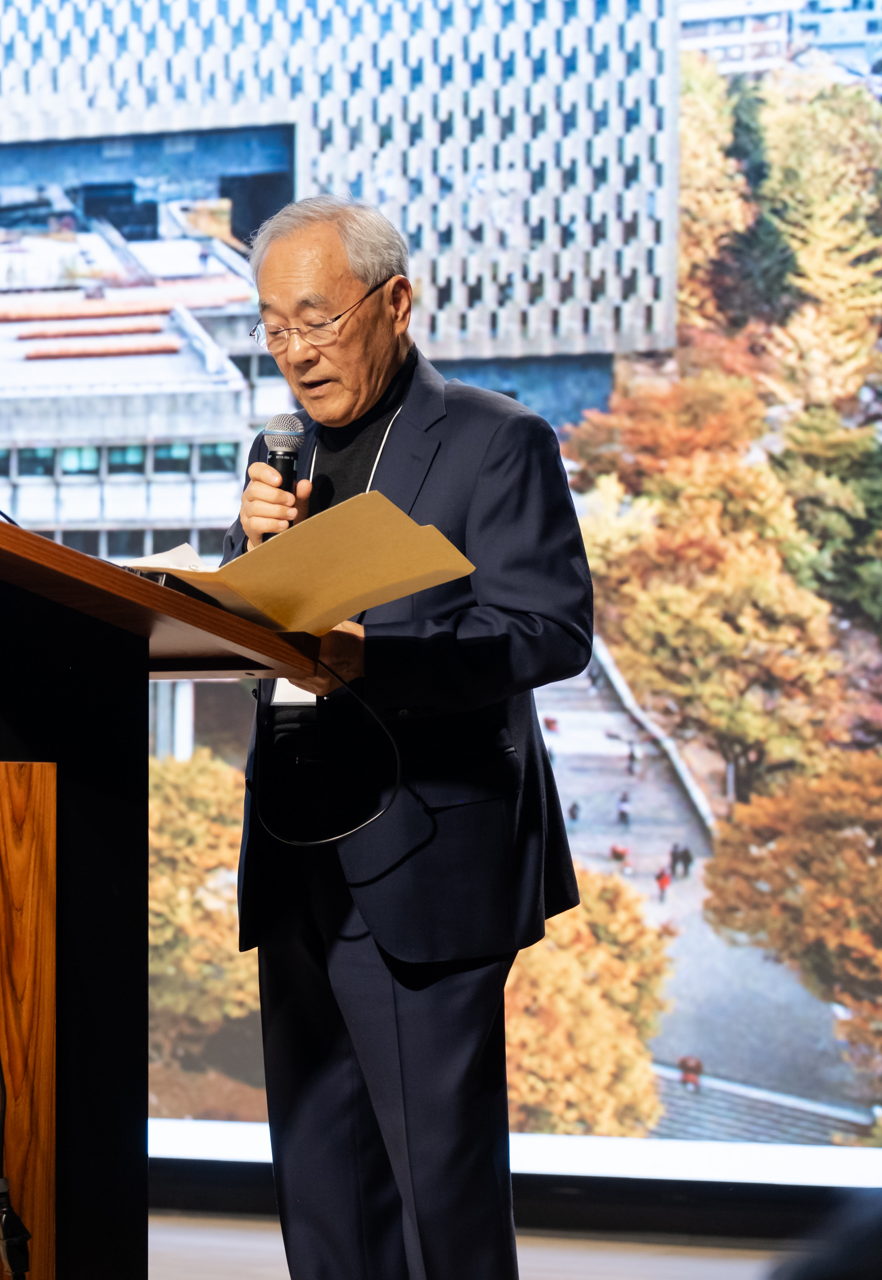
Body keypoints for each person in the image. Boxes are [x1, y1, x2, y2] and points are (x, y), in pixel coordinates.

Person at [226, 196, 592, 1280]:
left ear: (395, 302)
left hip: (427, 861)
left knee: (445, 1211)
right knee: (324, 1207)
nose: (295, 351)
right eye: (273, 327)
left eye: (316, 319)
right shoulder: (281, 457)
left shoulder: (497, 439)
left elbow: (550, 629)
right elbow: (257, 632)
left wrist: (375, 655)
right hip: (295, 857)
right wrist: (242, 560)